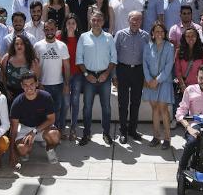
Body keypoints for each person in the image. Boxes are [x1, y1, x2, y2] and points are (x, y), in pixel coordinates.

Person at [76, 11, 118, 146]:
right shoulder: (83, 37)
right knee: (87, 107)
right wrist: (87, 75)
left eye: (99, 20)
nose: (96, 22)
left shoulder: (109, 38)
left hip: (105, 77)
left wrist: (107, 74)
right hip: (89, 77)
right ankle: (86, 133)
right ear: (90, 21)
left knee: (106, 107)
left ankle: (106, 133)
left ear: (103, 21)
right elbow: (79, 59)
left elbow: (113, 59)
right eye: (94, 20)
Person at [9, 72, 61, 166]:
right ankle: (27, 151)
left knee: (54, 136)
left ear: (37, 83)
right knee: (22, 149)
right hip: (25, 127)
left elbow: (51, 119)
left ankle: (50, 149)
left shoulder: (46, 97)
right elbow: (14, 129)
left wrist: (34, 132)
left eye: (31, 84)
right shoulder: (17, 102)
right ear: (21, 86)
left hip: (42, 127)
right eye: (25, 85)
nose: (29, 87)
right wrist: (12, 152)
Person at [114, 11, 150, 144]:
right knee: (123, 103)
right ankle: (123, 131)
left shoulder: (146, 36)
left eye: (138, 20)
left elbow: (148, 57)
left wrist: (147, 76)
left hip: (138, 72)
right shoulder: (120, 34)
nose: (135, 22)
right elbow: (114, 55)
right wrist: (114, 75)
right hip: (123, 70)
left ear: (141, 21)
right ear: (128, 20)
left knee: (135, 102)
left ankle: (132, 130)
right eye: (133, 20)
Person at [34, 19, 70, 134]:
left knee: (58, 110)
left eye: (52, 29)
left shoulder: (62, 46)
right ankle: (43, 134)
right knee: (42, 111)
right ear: (43, 30)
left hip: (58, 85)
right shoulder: (38, 46)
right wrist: (38, 83)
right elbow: (35, 66)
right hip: (43, 85)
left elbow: (67, 66)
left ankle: (56, 133)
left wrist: (66, 84)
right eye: (47, 29)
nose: (49, 31)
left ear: (56, 29)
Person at [142, 22, 175, 149]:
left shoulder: (170, 46)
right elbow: (145, 64)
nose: (159, 34)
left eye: (161, 31)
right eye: (157, 31)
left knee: (163, 109)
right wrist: (150, 80)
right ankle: (156, 136)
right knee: (154, 109)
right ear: (152, 33)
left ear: (165, 33)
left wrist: (157, 80)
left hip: (164, 82)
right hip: (150, 83)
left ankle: (167, 138)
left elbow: (168, 67)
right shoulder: (147, 47)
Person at [58, 14, 84, 141]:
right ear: (65, 25)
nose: (71, 25)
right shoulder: (59, 38)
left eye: (73, 23)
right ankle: (62, 128)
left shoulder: (81, 38)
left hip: (78, 74)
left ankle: (73, 128)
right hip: (63, 75)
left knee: (75, 102)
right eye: (69, 23)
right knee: (65, 103)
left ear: (76, 25)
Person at [1, 35, 41, 104]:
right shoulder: (7, 58)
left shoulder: (33, 61)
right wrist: (6, 90)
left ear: (26, 45)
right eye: (16, 44)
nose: (19, 46)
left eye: (22, 44)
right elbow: (3, 76)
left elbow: (36, 80)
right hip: (10, 93)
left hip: (27, 93)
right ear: (13, 45)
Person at [175, 27, 203, 97]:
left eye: (193, 36)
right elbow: (178, 70)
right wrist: (182, 85)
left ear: (197, 37)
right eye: (188, 36)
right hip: (184, 88)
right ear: (184, 38)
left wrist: (201, 86)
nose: (190, 38)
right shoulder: (179, 52)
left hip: (199, 88)